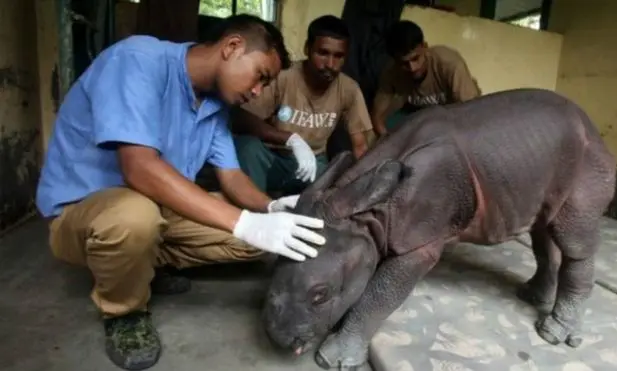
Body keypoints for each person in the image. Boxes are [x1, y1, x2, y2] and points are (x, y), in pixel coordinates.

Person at [35, 14, 327, 371]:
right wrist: (241, 221)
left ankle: (142, 265)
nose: (257, 92)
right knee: (133, 217)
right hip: (85, 212)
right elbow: (138, 167)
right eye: (260, 77)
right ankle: (124, 311)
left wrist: (270, 208)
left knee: (259, 241)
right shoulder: (138, 60)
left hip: (154, 209)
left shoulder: (216, 106)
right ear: (232, 46)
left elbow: (232, 177)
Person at [230, 15, 373, 197]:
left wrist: (366, 184)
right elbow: (241, 118)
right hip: (274, 157)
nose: (330, 64)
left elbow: (360, 146)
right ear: (307, 48)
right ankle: (254, 211)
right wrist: (290, 139)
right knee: (248, 148)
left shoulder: (349, 89)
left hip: (314, 164)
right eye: (322, 53)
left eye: (338, 56)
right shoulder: (284, 76)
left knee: (337, 177)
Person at [371, 20, 482, 137]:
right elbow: (377, 117)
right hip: (419, 116)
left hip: (454, 115)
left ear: (425, 47)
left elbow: (471, 114)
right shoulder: (391, 72)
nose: (412, 68)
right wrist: (387, 142)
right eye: (404, 63)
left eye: (416, 58)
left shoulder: (449, 64)